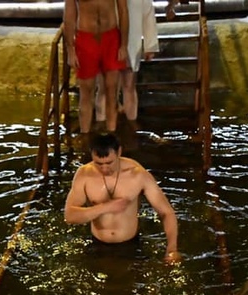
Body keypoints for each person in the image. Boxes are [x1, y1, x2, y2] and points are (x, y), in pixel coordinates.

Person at [64, 132, 181, 264]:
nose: (104, 168)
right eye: (98, 163)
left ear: (119, 152)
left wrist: (172, 249)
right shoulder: (84, 175)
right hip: (98, 243)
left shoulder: (138, 175)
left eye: (109, 162)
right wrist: (105, 207)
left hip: (130, 244)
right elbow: (70, 216)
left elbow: (167, 212)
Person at [63, 0, 129, 134]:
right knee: (86, 92)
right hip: (86, 37)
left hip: (111, 37)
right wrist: (70, 49)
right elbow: (69, 14)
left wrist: (123, 44)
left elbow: (123, 11)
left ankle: (112, 134)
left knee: (112, 90)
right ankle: (85, 136)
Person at [95, 0, 160, 123]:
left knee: (129, 85)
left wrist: (150, 45)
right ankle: (102, 125)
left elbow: (147, 11)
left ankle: (131, 123)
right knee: (104, 87)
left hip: (131, 39)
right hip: (106, 37)